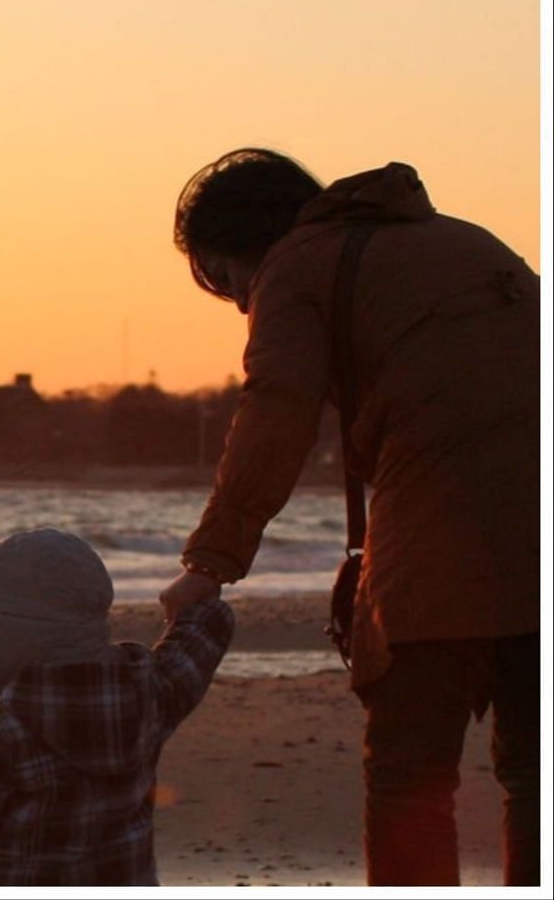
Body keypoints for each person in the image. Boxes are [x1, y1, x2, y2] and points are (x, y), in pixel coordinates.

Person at [161, 148, 540, 886]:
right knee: (537, 774)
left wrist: (209, 565)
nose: (242, 304)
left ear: (247, 249)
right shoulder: (469, 242)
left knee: (410, 778)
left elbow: (278, 413)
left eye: (227, 281)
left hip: (438, 537)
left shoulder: (296, 266)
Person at [0, 527, 234, 885]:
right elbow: (209, 628)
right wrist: (200, 576)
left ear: (3, 627)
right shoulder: (150, 693)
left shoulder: (0, 736)